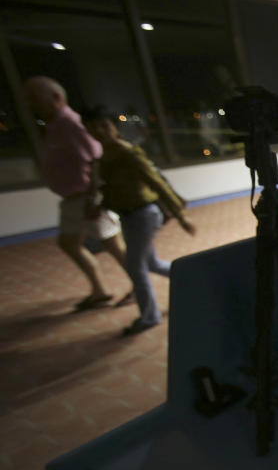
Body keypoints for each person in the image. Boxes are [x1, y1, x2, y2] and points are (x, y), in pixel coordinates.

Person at [82, 107, 197, 335]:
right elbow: (112, 190)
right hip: (128, 215)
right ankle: (192, 279)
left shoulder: (128, 153)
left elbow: (156, 182)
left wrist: (181, 216)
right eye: (94, 127)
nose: (100, 131)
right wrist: (100, 205)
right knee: (150, 263)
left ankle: (149, 317)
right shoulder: (104, 158)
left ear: (114, 127)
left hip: (143, 214)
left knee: (136, 267)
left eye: (104, 125)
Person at [24, 76, 130, 311]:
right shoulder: (55, 125)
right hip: (72, 200)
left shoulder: (72, 124)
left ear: (56, 97)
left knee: (114, 245)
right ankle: (99, 290)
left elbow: (95, 159)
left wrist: (94, 199)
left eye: (35, 98)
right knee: (69, 243)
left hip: (87, 199)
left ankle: (138, 286)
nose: (31, 103)